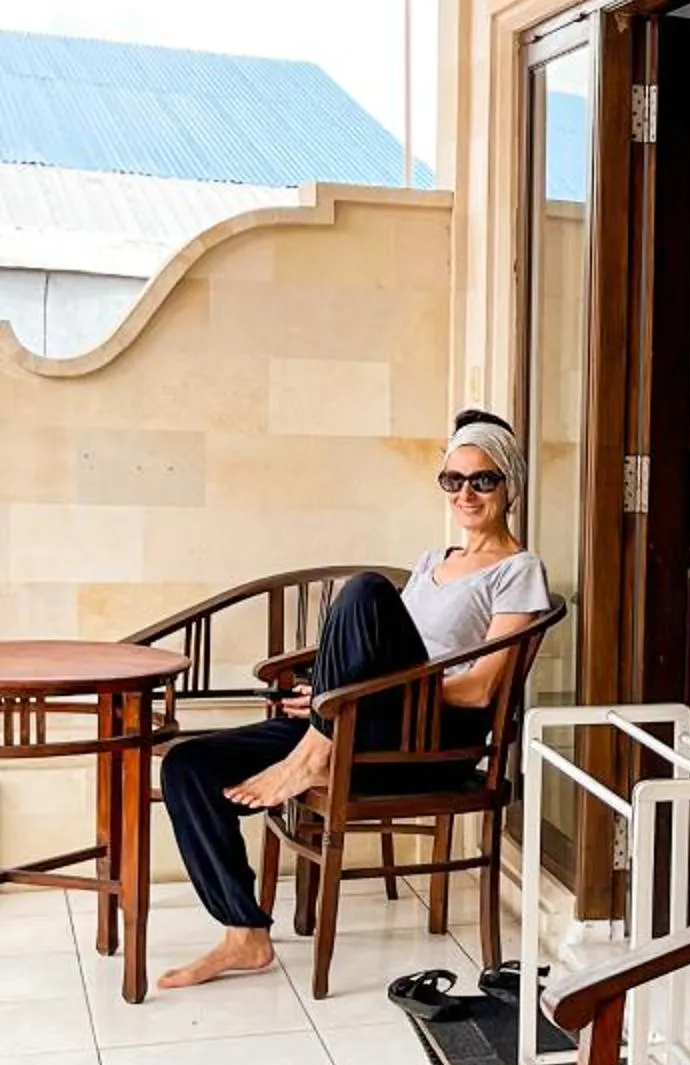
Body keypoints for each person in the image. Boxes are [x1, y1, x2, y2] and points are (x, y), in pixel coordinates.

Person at [156, 410, 551, 990]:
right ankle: (245, 935)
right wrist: (330, 695)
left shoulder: (519, 570)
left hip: (432, 736)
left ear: (509, 486)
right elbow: (378, 655)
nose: (466, 493)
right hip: (362, 722)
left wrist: (357, 700)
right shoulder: (431, 562)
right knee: (187, 767)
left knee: (365, 588)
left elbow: (480, 688)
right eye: (453, 480)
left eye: (483, 480)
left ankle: (316, 744)